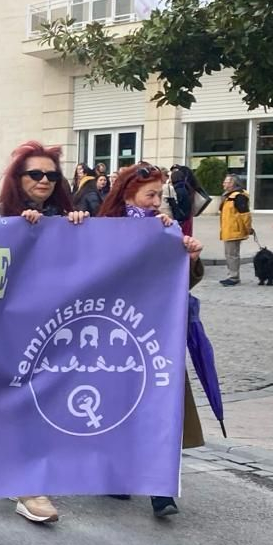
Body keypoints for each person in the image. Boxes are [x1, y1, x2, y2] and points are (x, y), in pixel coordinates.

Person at [97, 164, 206, 517]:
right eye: (151, 195)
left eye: (161, 195)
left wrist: (189, 257)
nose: (158, 202)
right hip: (114, 337)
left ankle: (160, 489)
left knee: (161, 407)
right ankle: (115, 475)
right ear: (129, 195)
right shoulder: (105, 231)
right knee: (117, 407)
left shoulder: (165, 231)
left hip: (156, 338)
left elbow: (180, 285)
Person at [0, 141, 89, 526]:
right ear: (19, 178)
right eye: (35, 174)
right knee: (15, 400)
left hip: (58, 328)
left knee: (45, 401)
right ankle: (26, 484)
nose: (44, 180)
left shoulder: (71, 217)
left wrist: (80, 227)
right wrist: (14, 231)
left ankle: (29, 481)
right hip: (8, 326)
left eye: (51, 175)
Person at [217, 173, 253, 286]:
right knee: (229, 253)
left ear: (232, 184)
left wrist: (248, 229)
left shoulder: (238, 196)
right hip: (229, 229)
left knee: (232, 254)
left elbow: (245, 215)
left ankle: (233, 277)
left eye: (226, 182)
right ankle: (232, 275)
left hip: (234, 230)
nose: (224, 183)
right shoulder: (228, 196)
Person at [164, 164, 208, 237]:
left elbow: (178, 205)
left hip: (182, 217)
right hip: (186, 216)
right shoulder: (186, 187)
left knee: (183, 236)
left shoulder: (179, 189)